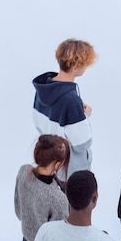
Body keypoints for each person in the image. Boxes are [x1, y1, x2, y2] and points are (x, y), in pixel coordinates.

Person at [32, 38, 97, 181]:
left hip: (50, 166)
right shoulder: (70, 100)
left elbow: (38, 121)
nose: (86, 68)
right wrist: (83, 116)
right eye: (84, 64)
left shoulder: (44, 89)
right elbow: (82, 144)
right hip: (70, 172)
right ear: (75, 67)